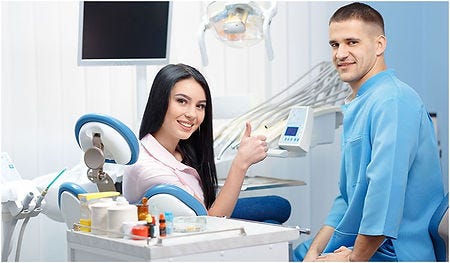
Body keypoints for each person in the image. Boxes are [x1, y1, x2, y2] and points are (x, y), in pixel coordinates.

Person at [293, 2, 445, 261]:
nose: (340, 53)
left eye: (352, 42)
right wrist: (314, 250)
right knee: (296, 253)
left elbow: (384, 195)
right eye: (334, 44)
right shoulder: (360, 103)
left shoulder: (393, 101)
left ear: (379, 45)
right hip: (356, 242)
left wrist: (353, 259)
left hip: (392, 251)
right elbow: (346, 198)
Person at [122, 63, 269, 218]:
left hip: (198, 221)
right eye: (181, 101)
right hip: (196, 230)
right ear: (160, 101)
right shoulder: (150, 171)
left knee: (279, 207)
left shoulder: (182, 149)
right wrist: (241, 163)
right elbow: (209, 224)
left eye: (200, 106)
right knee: (273, 216)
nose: (192, 114)